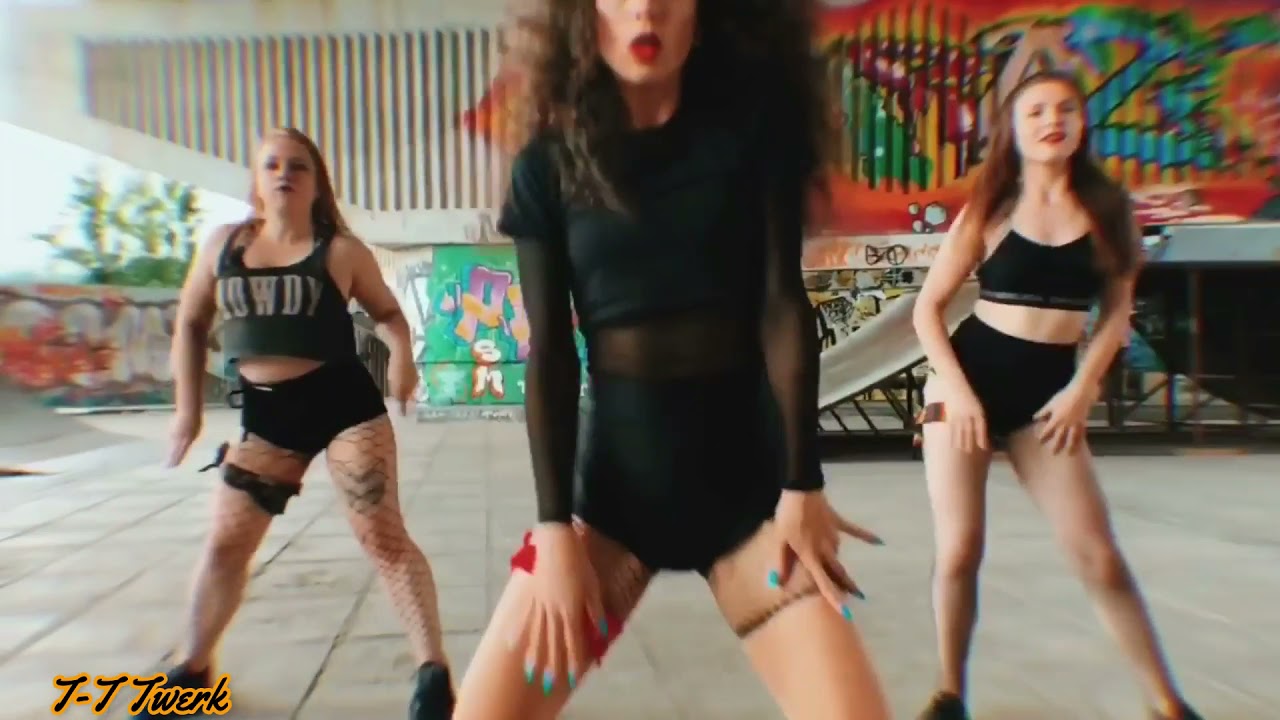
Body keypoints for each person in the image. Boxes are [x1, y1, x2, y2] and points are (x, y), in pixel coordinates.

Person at [451, 2, 890, 719]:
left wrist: (802, 484)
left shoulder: (753, 138)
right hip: (613, 507)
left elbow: (783, 306)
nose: (646, 8)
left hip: (752, 506)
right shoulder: (549, 166)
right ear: (584, 16)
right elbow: (551, 354)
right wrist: (553, 529)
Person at [911, 71, 1205, 720]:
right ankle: (949, 694)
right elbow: (927, 310)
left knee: (1098, 555)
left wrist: (1082, 389)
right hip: (966, 381)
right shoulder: (989, 208)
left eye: (1066, 109)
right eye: (1037, 111)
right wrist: (957, 394)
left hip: (1049, 393)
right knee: (960, 548)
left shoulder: (1108, 212)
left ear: (1081, 124)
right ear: (1014, 131)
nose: (1052, 121)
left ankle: (1168, 704)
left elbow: (1116, 312)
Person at [148, 128, 455, 719]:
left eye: (298, 165)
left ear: (317, 184)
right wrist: (186, 410)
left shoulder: (340, 252)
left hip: (343, 407)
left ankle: (433, 675)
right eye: (272, 164)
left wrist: (404, 361)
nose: (284, 173)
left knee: (383, 537)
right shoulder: (222, 246)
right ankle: (193, 668)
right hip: (267, 418)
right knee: (225, 545)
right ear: (256, 181)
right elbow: (190, 323)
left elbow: (390, 315)